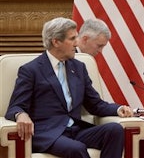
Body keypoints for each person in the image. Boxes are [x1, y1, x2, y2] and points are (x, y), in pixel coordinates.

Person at [5, 17, 133, 158]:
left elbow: (95, 105)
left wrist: (118, 109)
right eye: (72, 39)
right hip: (48, 134)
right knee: (76, 148)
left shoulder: (79, 67)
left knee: (114, 130)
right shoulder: (31, 70)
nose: (77, 43)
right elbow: (15, 107)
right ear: (56, 41)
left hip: (75, 130)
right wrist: (21, 114)